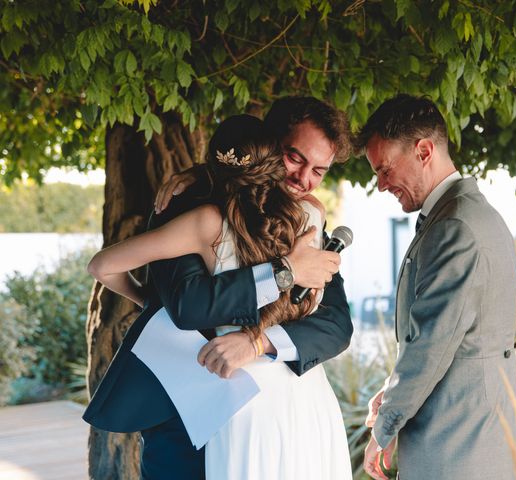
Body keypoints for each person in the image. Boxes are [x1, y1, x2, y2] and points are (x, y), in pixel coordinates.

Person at [86, 115, 352, 479]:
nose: (303, 179)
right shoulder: (305, 214)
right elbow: (187, 308)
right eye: (294, 158)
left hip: (279, 393)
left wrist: (257, 342)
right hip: (203, 401)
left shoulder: (219, 220)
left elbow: (336, 324)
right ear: (272, 148)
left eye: (319, 171)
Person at [356, 95, 516, 480]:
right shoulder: (469, 215)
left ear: (423, 150)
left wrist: (384, 428)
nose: (381, 185)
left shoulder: (455, 227)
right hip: (477, 439)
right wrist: (391, 391)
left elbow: (430, 345)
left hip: (459, 447)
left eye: (384, 170)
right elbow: (450, 339)